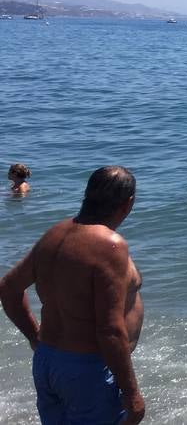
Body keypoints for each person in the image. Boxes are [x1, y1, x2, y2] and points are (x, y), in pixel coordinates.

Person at [0, 166, 146, 423]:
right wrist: (132, 393)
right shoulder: (110, 245)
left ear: (87, 194)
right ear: (129, 203)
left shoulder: (55, 233)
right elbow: (110, 330)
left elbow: (9, 288)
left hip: (48, 362)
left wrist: (36, 338)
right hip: (86, 371)